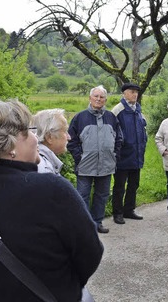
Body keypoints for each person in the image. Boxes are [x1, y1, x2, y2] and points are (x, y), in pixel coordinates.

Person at [0, 99, 103, 301]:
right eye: (28, 131)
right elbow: (90, 254)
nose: (36, 138)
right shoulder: (52, 190)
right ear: (10, 145)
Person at [67, 85, 122, 234]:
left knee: (102, 195)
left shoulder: (111, 117)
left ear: (105, 100)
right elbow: (71, 140)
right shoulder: (80, 117)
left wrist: (114, 155)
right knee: (82, 196)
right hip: (85, 166)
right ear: (90, 98)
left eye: (102, 97)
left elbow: (119, 138)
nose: (98, 99)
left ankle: (97, 222)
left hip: (106, 165)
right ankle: (84, 226)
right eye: (96, 96)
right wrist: (79, 157)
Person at [111, 82, 147, 224]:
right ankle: (117, 213)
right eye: (132, 92)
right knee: (120, 186)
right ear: (124, 93)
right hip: (122, 156)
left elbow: (143, 129)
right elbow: (112, 132)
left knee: (134, 184)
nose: (135, 94)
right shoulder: (117, 110)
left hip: (136, 155)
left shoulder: (138, 110)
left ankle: (129, 210)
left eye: (136, 92)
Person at [32, 108, 71, 174]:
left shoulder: (36, 159)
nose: (69, 137)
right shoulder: (45, 169)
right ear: (49, 137)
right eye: (65, 131)